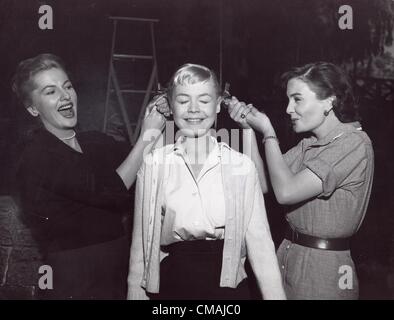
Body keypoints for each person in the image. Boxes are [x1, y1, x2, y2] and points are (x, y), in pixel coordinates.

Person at [13, 53, 166, 299]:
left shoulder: (97, 141)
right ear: (32, 108)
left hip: (117, 274)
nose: (65, 96)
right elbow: (110, 190)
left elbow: (143, 167)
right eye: (50, 92)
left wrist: (158, 114)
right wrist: (147, 137)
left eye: (68, 86)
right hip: (74, 282)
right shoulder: (37, 155)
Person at [127, 63, 286, 300]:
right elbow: (141, 244)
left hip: (227, 290)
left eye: (203, 100)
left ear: (218, 104)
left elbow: (261, 246)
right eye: (183, 100)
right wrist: (134, 294)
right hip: (173, 286)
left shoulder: (241, 166)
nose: (193, 109)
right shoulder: (153, 164)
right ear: (170, 106)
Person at [227, 62, 374, 299]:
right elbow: (263, 183)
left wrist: (269, 133)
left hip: (324, 270)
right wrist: (247, 130)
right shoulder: (309, 145)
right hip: (287, 257)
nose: (288, 109)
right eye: (288, 100)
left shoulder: (353, 143)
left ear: (329, 101)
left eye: (297, 99)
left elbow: (286, 192)